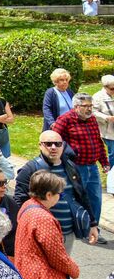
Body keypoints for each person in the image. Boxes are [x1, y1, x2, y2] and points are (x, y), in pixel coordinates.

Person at [13, 129, 98, 247]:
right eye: (48, 144)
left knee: (63, 264)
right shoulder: (30, 169)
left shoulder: (71, 167)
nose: (53, 147)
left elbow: (82, 195)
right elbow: (19, 201)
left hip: (67, 233)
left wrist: (92, 224)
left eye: (58, 144)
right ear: (40, 145)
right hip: (42, 232)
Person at [50, 92, 109, 243]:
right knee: (78, 198)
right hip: (75, 167)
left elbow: (98, 141)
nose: (89, 109)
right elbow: (53, 139)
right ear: (76, 107)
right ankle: (80, 228)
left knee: (95, 199)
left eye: (91, 106)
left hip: (92, 166)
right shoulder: (65, 120)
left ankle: (93, 229)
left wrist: (104, 161)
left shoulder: (92, 120)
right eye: (85, 106)